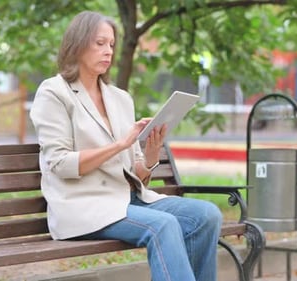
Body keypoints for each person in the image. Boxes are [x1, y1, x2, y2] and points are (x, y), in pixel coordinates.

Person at [29, 11, 223, 281]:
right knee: (163, 226)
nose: (108, 51)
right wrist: (120, 144)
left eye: (111, 44)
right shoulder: (54, 93)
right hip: (84, 207)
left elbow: (135, 172)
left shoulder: (120, 98)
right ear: (77, 43)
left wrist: (151, 156)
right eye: (99, 43)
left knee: (206, 215)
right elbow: (61, 165)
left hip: (126, 200)